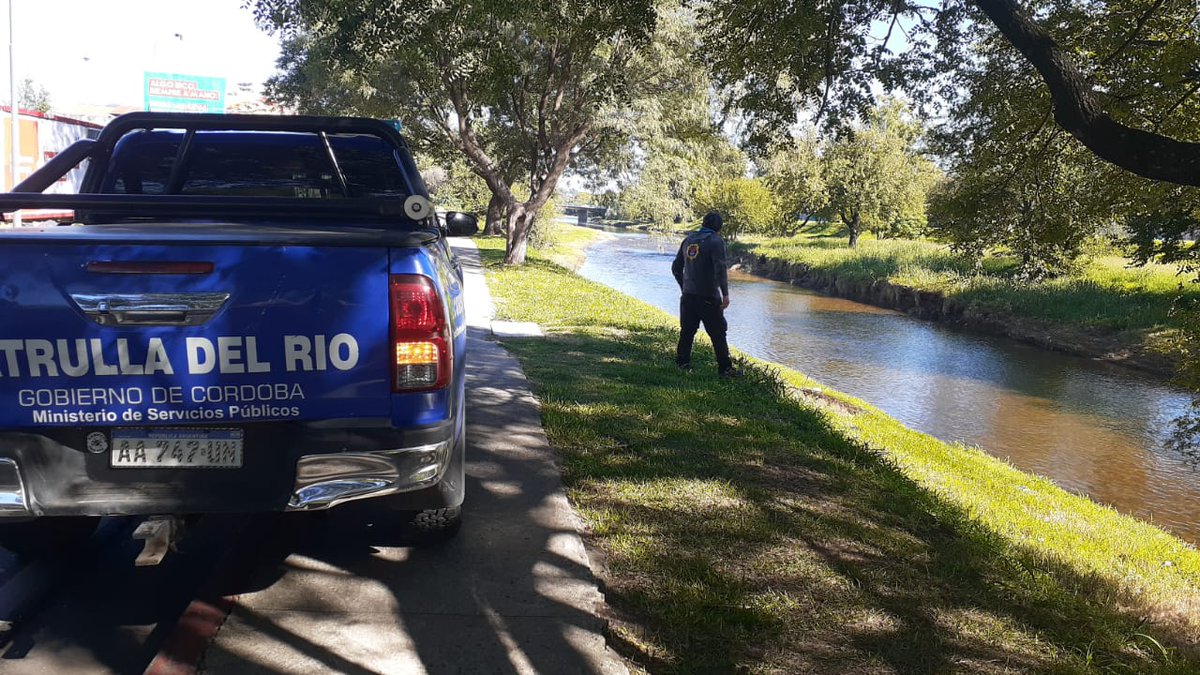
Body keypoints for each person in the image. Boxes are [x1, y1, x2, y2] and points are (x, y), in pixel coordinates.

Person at [672, 211, 740, 377]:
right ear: (719, 227)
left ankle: (682, 364)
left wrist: (684, 287)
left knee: (687, 331)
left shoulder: (688, 240)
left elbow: (675, 268)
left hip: (688, 295)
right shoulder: (716, 241)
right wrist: (725, 294)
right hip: (708, 296)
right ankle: (725, 369)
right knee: (718, 333)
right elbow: (720, 269)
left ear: (703, 224)